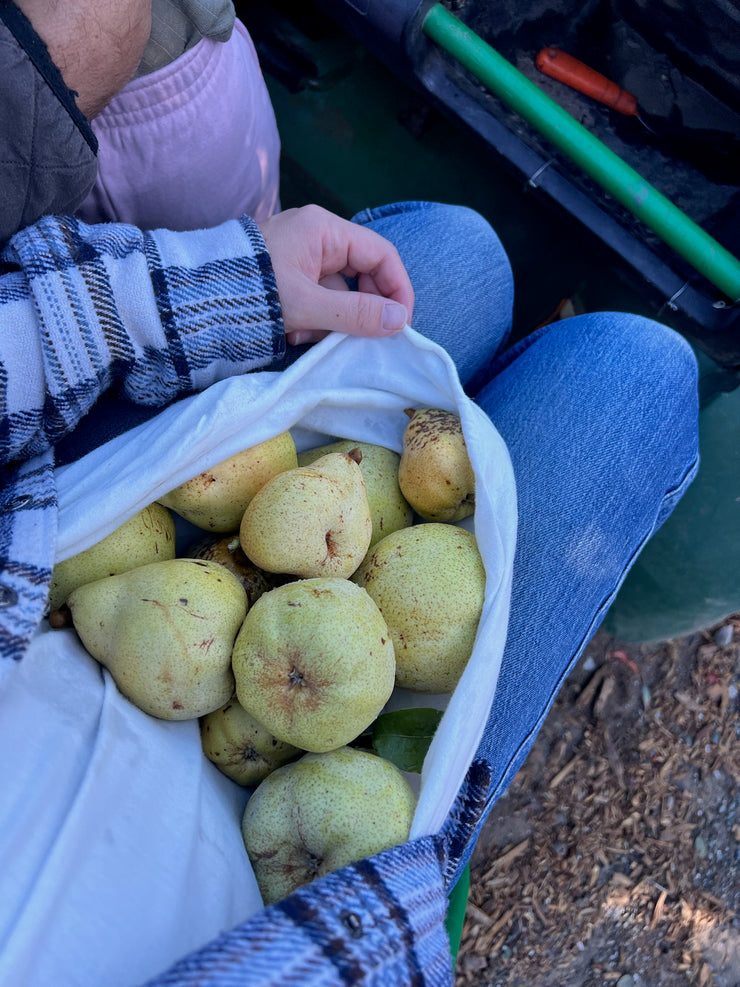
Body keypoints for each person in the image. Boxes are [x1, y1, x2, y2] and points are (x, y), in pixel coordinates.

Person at [0, 1, 700, 984]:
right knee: (636, 377)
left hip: (63, 569)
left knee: (451, 262)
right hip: (308, 892)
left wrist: (212, 288)